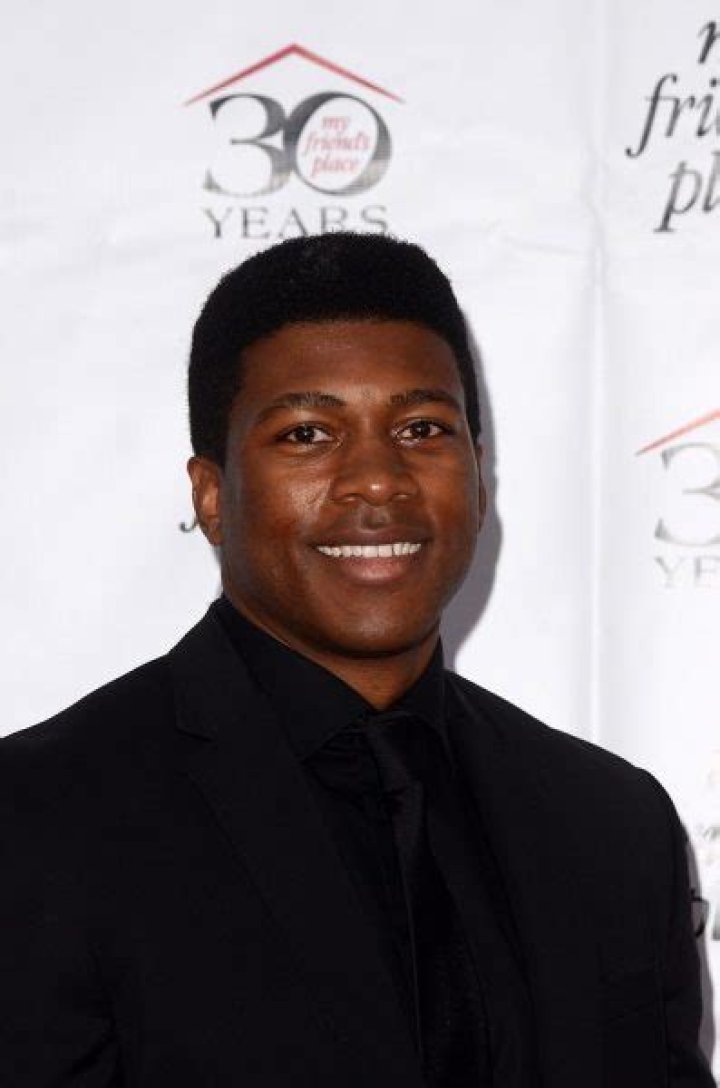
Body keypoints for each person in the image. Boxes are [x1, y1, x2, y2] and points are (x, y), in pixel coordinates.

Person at [0, 232, 713, 1088]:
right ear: (212, 494)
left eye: (422, 428)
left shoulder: (613, 828)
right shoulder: (39, 820)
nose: (377, 479)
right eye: (308, 433)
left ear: (479, 477)